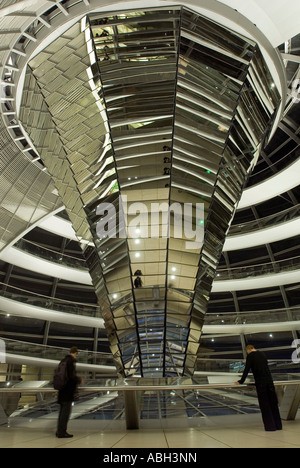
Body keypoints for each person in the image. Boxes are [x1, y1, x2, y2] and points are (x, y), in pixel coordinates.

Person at [236, 345, 282, 432]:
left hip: (261, 383)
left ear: (248, 349)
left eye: (247, 351)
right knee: (273, 404)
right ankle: (278, 425)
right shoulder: (262, 354)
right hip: (270, 381)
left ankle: (270, 426)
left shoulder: (250, 356)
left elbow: (246, 369)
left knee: (265, 405)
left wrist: (241, 381)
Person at [56, 346, 82, 438]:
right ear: (75, 353)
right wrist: (79, 380)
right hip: (68, 390)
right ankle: (62, 432)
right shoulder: (71, 361)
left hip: (61, 390)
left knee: (62, 412)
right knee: (66, 412)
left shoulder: (63, 360)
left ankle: (59, 430)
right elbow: (71, 376)